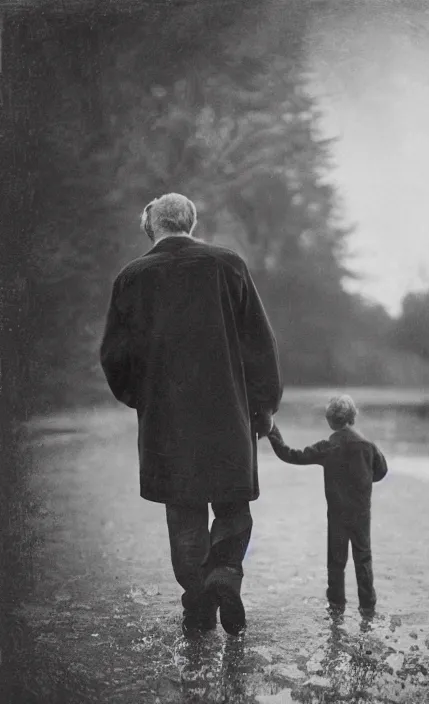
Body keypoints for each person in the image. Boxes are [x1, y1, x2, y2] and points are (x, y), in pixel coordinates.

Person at [100, 193, 282, 636]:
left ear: (152, 227)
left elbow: (114, 358)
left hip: (167, 420)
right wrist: (264, 407)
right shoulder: (228, 265)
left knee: (184, 513)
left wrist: (144, 398)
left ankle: (198, 603)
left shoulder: (131, 278)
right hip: (229, 412)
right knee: (232, 504)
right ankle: (225, 574)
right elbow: (260, 344)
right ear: (191, 222)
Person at [267, 394, 387, 616]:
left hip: (337, 514)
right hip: (361, 513)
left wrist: (272, 431)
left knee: (336, 562)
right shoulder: (368, 446)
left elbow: (290, 455)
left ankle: (336, 607)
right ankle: (368, 607)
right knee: (363, 559)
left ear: (331, 421)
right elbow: (381, 471)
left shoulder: (328, 446)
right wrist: (362, 480)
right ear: (353, 417)